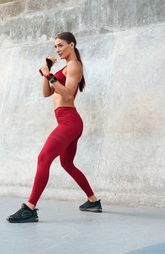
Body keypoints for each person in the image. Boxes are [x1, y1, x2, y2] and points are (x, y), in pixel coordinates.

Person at [7, 32, 102, 223]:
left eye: (60, 45)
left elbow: (67, 95)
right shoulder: (66, 67)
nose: (57, 50)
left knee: (43, 157)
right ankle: (93, 201)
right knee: (67, 164)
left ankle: (30, 208)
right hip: (67, 122)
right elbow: (46, 93)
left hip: (70, 121)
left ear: (72, 45)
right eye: (55, 47)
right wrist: (47, 72)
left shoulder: (74, 65)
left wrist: (50, 75)